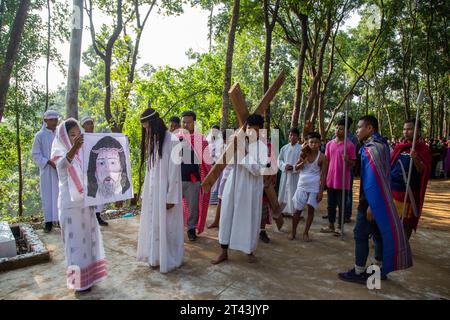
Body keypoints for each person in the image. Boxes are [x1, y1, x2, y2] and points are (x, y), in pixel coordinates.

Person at [338, 115, 412, 284]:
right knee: (378, 234)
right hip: (380, 199)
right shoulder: (381, 145)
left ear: (370, 128)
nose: (356, 130)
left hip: (371, 200)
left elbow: (374, 180)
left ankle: (358, 272)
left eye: (359, 127)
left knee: (360, 234)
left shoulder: (372, 149)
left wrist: (372, 204)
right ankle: (377, 270)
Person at [51, 118, 107, 293]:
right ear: (64, 137)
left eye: (78, 135)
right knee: (75, 244)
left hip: (85, 202)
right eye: (72, 135)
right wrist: (74, 148)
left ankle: (90, 278)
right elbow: (62, 165)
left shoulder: (82, 154)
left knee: (88, 241)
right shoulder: (60, 152)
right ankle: (78, 283)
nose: (75, 138)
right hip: (70, 206)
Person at [211, 114, 268, 264]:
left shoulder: (262, 147)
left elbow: (257, 170)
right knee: (227, 216)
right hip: (234, 183)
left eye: (255, 130)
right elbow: (225, 161)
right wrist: (230, 146)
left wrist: (242, 152)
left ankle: (249, 251)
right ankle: (223, 251)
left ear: (260, 130)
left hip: (251, 188)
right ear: (246, 127)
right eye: (249, 129)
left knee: (249, 218)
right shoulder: (237, 141)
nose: (251, 133)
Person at [136, 107, 184, 273]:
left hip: (166, 193)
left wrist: (171, 197)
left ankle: (168, 258)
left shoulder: (173, 141)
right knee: (154, 225)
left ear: (155, 124)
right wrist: (146, 193)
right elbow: (151, 172)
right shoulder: (153, 141)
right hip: (153, 193)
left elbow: (175, 172)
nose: (147, 131)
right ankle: (154, 256)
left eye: (148, 127)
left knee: (167, 228)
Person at [390, 118, 432, 240]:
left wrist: (416, 159)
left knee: (405, 224)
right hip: (393, 191)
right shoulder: (399, 147)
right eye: (404, 129)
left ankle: (403, 247)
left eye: (409, 129)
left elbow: (423, 171)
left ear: (417, 131)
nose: (405, 132)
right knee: (392, 222)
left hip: (408, 194)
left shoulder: (422, 149)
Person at [176, 110, 212, 241]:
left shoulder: (201, 140)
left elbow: (207, 163)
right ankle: (174, 229)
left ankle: (191, 229)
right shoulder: (175, 138)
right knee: (174, 205)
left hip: (193, 179)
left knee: (193, 207)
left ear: (194, 123)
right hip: (177, 179)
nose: (185, 125)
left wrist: (208, 179)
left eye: (189, 122)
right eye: (183, 122)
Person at [289, 132, 327, 242]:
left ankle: (306, 233)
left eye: (316, 142)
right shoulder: (303, 154)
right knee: (297, 210)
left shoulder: (323, 157)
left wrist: (321, 192)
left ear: (320, 143)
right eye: (311, 142)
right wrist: (303, 161)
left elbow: (323, 175)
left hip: (314, 187)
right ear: (308, 143)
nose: (314, 144)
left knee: (311, 210)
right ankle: (293, 231)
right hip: (302, 185)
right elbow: (296, 167)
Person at [320, 119, 356, 234]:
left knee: (342, 204)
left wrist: (348, 160)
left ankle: (340, 227)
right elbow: (326, 161)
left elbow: (353, 163)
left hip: (343, 180)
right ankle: (330, 225)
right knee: (331, 204)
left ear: (346, 131)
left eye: (341, 129)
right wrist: (324, 177)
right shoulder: (330, 144)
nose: (337, 130)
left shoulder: (349, 145)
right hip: (331, 179)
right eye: (336, 128)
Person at [32, 110, 60, 233]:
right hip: (47, 171)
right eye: (52, 120)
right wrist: (49, 162)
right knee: (48, 195)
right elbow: (35, 154)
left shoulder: (60, 134)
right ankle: (48, 222)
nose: (54, 122)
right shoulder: (40, 136)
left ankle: (60, 220)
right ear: (45, 121)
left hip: (60, 170)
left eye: (56, 119)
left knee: (60, 194)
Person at [81, 116, 108, 226]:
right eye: (87, 123)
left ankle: (97, 216)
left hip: (98, 169)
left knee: (100, 192)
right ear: (83, 126)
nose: (90, 125)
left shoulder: (98, 137)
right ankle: (87, 218)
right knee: (88, 192)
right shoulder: (80, 138)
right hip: (85, 169)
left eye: (91, 123)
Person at [277, 128, 302, 217]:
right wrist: (284, 166)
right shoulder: (284, 148)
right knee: (283, 191)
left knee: (293, 191)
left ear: (298, 137)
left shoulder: (301, 148)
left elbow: (303, 162)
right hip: (285, 173)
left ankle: (293, 211)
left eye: (294, 135)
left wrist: (294, 167)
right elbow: (279, 160)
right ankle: (282, 210)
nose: (292, 137)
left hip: (295, 175)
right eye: (291, 135)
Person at [207, 125, 224, 205]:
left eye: (215, 131)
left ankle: (215, 199)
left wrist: (215, 160)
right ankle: (209, 199)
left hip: (217, 163)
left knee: (217, 182)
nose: (213, 132)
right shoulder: (208, 139)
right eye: (212, 130)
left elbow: (221, 152)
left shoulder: (220, 141)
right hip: (209, 164)